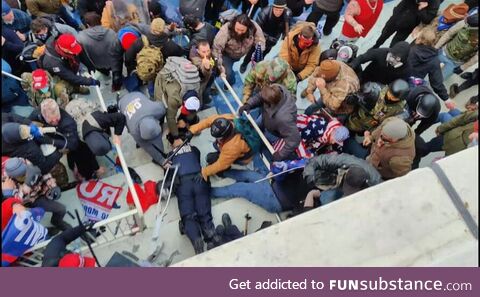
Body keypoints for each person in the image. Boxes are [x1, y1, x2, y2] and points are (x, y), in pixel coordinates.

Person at [164, 140, 221, 253]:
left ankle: (196, 238)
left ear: (171, 146)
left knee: (188, 215)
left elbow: (167, 175)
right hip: (199, 179)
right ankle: (210, 236)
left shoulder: (169, 156)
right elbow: (197, 158)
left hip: (183, 184)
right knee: (204, 212)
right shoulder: (194, 149)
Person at [65, 98, 126, 181]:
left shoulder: (101, 119)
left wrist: (117, 135)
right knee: (82, 158)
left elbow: (120, 117)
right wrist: (96, 168)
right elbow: (82, 155)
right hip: (71, 112)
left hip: (83, 105)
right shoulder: (76, 136)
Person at [4, 157, 71, 232]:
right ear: (14, 177)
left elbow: (45, 176)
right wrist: (26, 186)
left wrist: (52, 187)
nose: (26, 175)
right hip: (23, 205)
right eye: (22, 176)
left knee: (61, 209)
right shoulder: (8, 184)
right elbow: (15, 201)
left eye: (26, 172)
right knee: (27, 224)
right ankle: (42, 232)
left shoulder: (30, 166)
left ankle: (57, 221)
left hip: (37, 197)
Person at [239, 84, 300, 161]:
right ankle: (251, 140)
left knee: (264, 140)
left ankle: (256, 147)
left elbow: (294, 139)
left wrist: (281, 154)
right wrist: (249, 104)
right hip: (266, 116)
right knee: (254, 127)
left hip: (274, 131)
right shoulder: (275, 88)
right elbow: (260, 97)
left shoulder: (284, 119)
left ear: (270, 103)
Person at [414, 96, 478, 166]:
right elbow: (462, 119)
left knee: (427, 147)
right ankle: (421, 123)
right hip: (462, 131)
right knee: (452, 112)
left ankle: (413, 157)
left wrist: (441, 129)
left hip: (454, 142)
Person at [154, 56, 201, 148]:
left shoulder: (196, 86)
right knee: (160, 108)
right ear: (183, 103)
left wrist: (185, 121)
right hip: (163, 79)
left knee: (186, 116)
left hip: (178, 77)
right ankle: (158, 125)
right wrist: (176, 138)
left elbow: (193, 110)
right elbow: (170, 117)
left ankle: (184, 121)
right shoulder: (174, 98)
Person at [189, 114, 253, 180]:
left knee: (212, 159)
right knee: (213, 155)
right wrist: (192, 131)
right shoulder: (223, 120)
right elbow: (207, 121)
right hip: (231, 147)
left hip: (242, 158)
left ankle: (224, 173)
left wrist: (205, 172)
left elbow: (220, 165)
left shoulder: (233, 146)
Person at [302, 153, 382, 206]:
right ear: (347, 172)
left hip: (361, 200)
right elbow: (315, 161)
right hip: (339, 186)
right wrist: (309, 176)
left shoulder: (377, 183)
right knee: (325, 200)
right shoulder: (345, 161)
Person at [239, 0, 293, 73]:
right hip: (261, 36)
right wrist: (262, 39)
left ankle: (256, 64)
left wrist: (284, 36)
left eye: (280, 10)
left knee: (264, 53)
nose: (278, 12)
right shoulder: (264, 13)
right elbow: (256, 29)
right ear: (272, 7)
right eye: (276, 9)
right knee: (252, 51)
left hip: (273, 38)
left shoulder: (287, 14)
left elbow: (287, 27)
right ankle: (244, 63)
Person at [213, 14, 266, 86]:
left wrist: (258, 50)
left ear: (247, 28)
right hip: (227, 55)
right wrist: (219, 66)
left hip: (241, 54)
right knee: (228, 73)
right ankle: (231, 82)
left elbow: (261, 41)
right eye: (237, 29)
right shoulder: (225, 31)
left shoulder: (254, 28)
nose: (239, 32)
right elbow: (216, 48)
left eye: (242, 30)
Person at [76, 12, 124, 91]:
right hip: (113, 63)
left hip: (97, 65)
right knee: (117, 80)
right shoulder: (111, 32)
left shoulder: (81, 37)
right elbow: (118, 50)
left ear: (87, 25)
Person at [118, 91, 168, 167]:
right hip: (123, 103)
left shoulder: (157, 109)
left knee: (156, 139)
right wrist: (161, 160)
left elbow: (163, 109)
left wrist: (160, 122)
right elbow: (147, 146)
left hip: (137, 94)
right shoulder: (134, 131)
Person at [408, 28, 453, 110]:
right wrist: (446, 99)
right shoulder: (434, 60)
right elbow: (437, 83)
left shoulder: (411, 49)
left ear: (420, 38)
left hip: (400, 77)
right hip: (413, 85)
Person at [372, 0, 440, 49]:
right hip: (397, 17)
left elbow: (427, 20)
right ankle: (376, 46)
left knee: (394, 45)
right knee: (384, 34)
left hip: (407, 27)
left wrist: (421, 9)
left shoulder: (435, 2)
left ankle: (387, 56)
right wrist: (395, 11)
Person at [210, 169, 283, 213]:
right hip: (270, 183)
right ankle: (222, 172)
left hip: (275, 200)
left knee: (242, 188)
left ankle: (210, 192)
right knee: (248, 174)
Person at [435, 13, 478, 80]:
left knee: (438, 81)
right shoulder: (466, 21)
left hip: (455, 63)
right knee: (423, 70)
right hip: (444, 52)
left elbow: (477, 56)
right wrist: (436, 47)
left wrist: (463, 67)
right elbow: (449, 34)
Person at [189, 40, 217, 106]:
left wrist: (221, 70)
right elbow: (203, 71)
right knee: (199, 96)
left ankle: (207, 96)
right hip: (201, 82)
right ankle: (201, 105)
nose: (206, 54)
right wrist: (206, 68)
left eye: (208, 50)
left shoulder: (209, 53)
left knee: (207, 88)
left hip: (211, 77)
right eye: (203, 52)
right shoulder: (195, 59)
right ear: (198, 51)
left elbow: (216, 58)